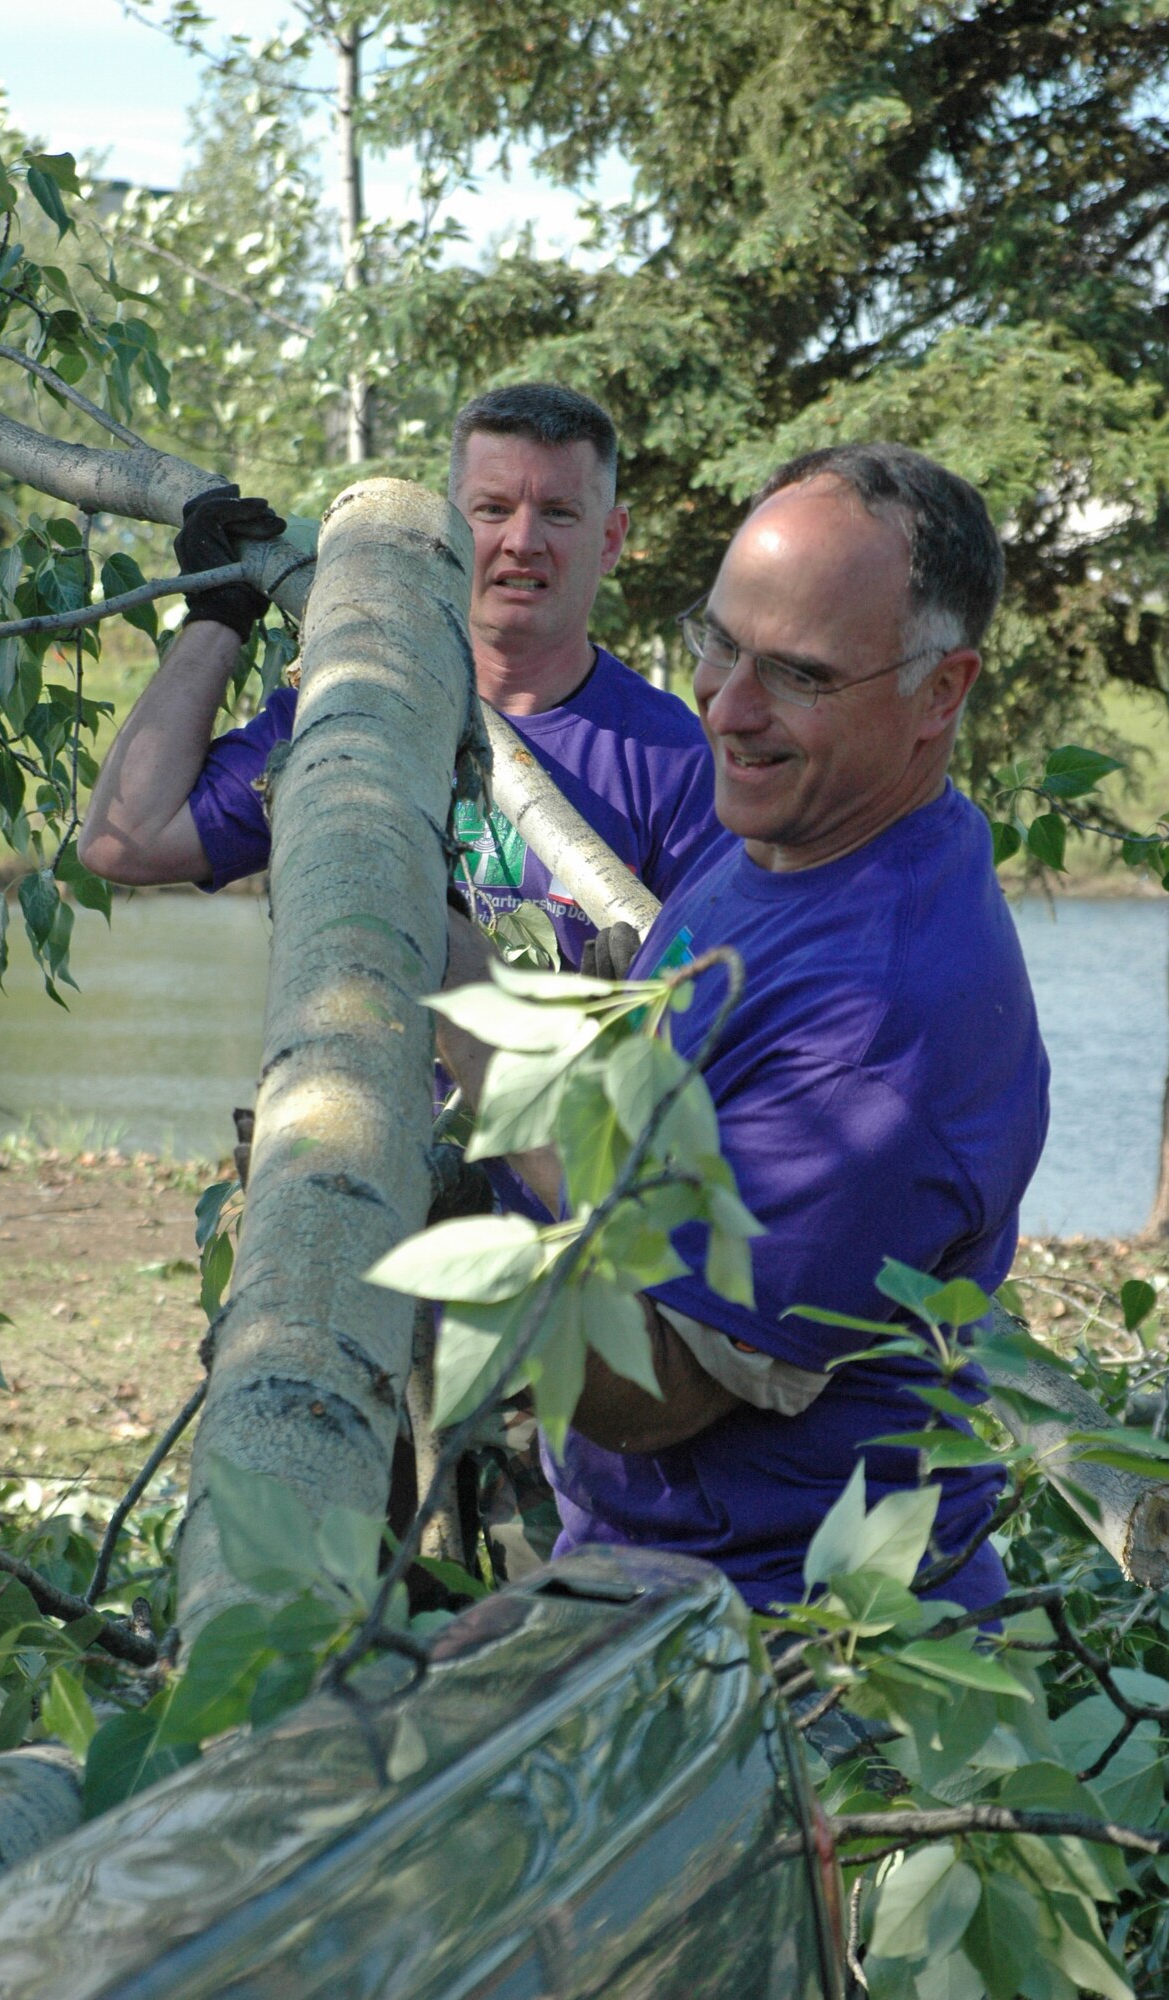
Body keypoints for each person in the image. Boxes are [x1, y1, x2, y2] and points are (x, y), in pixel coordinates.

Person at [435, 442, 1050, 1615]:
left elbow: (650, 1382)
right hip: (641, 1575)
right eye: (717, 640)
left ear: (941, 690)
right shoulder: (784, 835)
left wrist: (475, 1026)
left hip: (789, 1657)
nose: (726, 705)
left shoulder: (883, 1021)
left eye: (800, 674)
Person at [78, 383, 722, 966]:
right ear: (446, 527)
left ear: (610, 539)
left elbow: (736, 1013)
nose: (523, 541)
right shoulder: (353, 707)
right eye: (493, 510)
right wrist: (217, 613)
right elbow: (124, 843)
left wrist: (632, 1020)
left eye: (559, 512)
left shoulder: (680, 762)